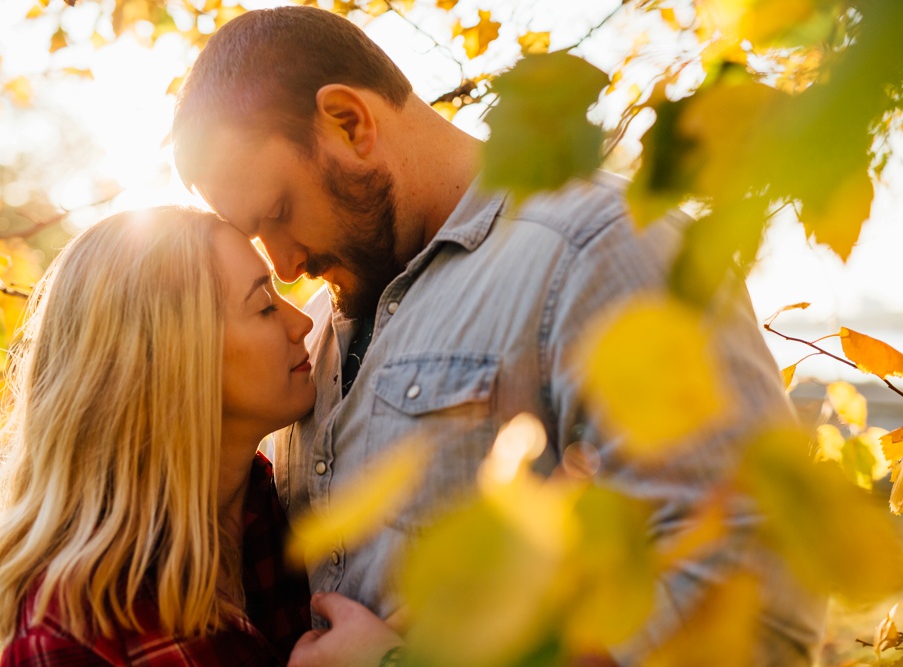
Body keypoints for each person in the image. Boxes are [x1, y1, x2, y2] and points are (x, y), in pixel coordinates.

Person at [171, 6, 827, 665]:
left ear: (349, 121)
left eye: (279, 213)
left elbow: (761, 603)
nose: (282, 265)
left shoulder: (597, 245)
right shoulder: (313, 339)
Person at [0, 206, 401, 666]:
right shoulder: (75, 637)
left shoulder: (269, 514)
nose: (303, 323)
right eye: (264, 306)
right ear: (177, 360)